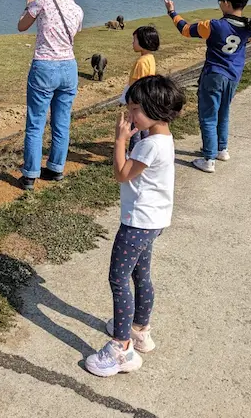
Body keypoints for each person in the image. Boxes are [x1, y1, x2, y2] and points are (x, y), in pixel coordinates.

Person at [85, 75, 185, 378]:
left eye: (134, 110)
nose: (129, 116)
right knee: (141, 275)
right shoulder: (164, 139)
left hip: (137, 223)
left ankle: (121, 347)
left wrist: (120, 139)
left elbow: (121, 173)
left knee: (118, 279)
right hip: (155, 220)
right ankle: (140, 329)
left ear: (154, 109)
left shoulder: (148, 146)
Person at [164, 0, 251, 173]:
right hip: (233, 77)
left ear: (227, 3)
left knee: (208, 116)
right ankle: (222, 149)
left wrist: (172, 12)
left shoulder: (213, 25)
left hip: (213, 75)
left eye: (221, 1)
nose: (220, 4)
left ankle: (208, 159)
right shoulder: (248, 27)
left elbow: (186, 29)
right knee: (223, 113)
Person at [16, 0, 86, 190]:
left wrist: (28, 5)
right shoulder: (78, 10)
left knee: (36, 123)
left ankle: (30, 175)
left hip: (45, 66)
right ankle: (56, 168)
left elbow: (22, 26)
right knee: (62, 122)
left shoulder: (42, 2)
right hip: (69, 67)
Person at [122, 25, 160, 151]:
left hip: (138, 100)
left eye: (135, 40)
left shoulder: (141, 62)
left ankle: (134, 152)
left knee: (135, 128)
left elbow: (137, 83)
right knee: (144, 126)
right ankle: (145, 149)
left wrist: (131, 101)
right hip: (146, 99)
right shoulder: (150, 58)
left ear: (144, 42)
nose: (132, 43)